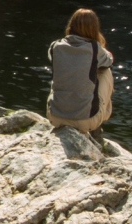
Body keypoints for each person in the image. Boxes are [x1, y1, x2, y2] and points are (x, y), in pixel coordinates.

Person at [47, 8, 113, 138]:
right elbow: (109, 61)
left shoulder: (55, 46)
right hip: (85, 121)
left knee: (61, 76)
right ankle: (97, 126)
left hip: (55, 117)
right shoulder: (95, 48)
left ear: (71, 25)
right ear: (94, 28)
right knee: (106, 71)